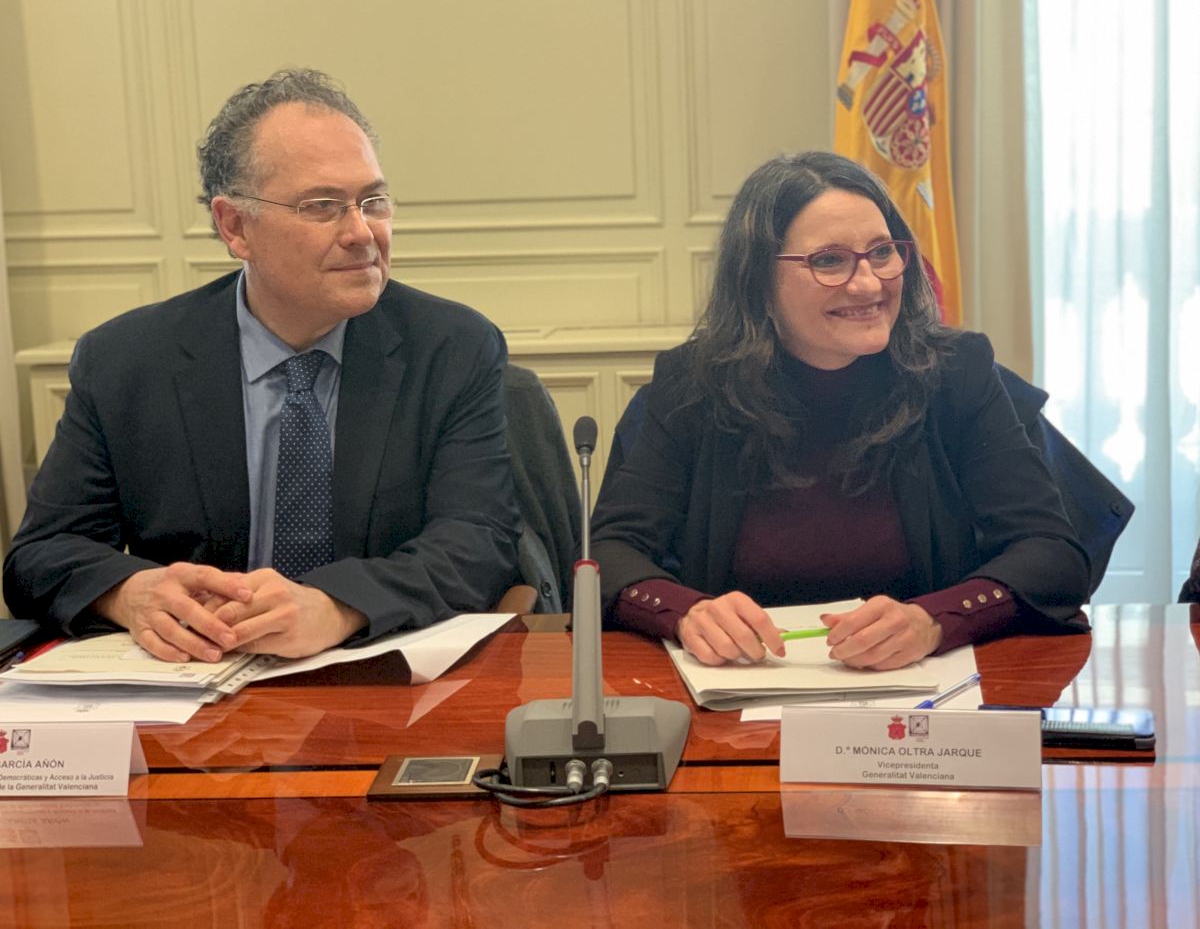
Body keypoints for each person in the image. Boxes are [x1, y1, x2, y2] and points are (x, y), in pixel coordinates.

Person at [2, 69, 520, 661]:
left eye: (373, 201)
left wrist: (338, 605)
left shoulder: (451, 347)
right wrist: (128, 593)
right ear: (235, 226)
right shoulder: (126, 361)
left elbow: (479, 543)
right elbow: (40, 555)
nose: (362, 232)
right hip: (196, 681)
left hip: (375, 674)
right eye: (322, 206)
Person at [591, 151, 1091, 670]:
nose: (869, 284)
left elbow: (1052, 552)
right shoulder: (694, 385)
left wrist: (934, 620)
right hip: (743, 687)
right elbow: (607, 553)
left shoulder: (956, 373)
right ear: (757, 282)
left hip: (920, 698)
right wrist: (686, 613)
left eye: (882, 252)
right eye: (829, 260)